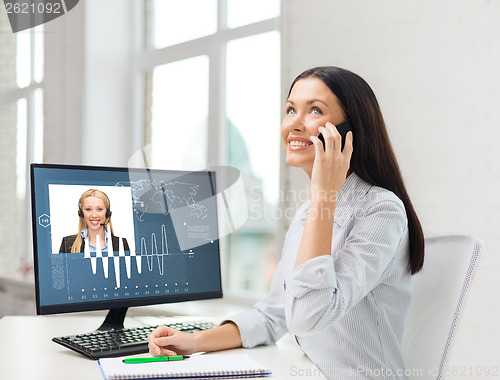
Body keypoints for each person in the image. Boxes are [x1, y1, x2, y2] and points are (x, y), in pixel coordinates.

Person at [147, 66, 425, 379]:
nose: (293, 123)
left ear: (350, 132)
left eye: (315, 110)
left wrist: (323, 197)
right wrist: (194, 341)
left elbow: (308, 317)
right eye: (290, 109)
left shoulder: (381, 211)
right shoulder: (307, 215)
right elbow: (273, 314)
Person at [59, 189, 130, 254]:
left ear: (107, 213)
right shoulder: (67, 243)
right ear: (81, 213)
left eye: (99, 209)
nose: (94, 215)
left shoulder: (121, 243)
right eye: (88, 209)